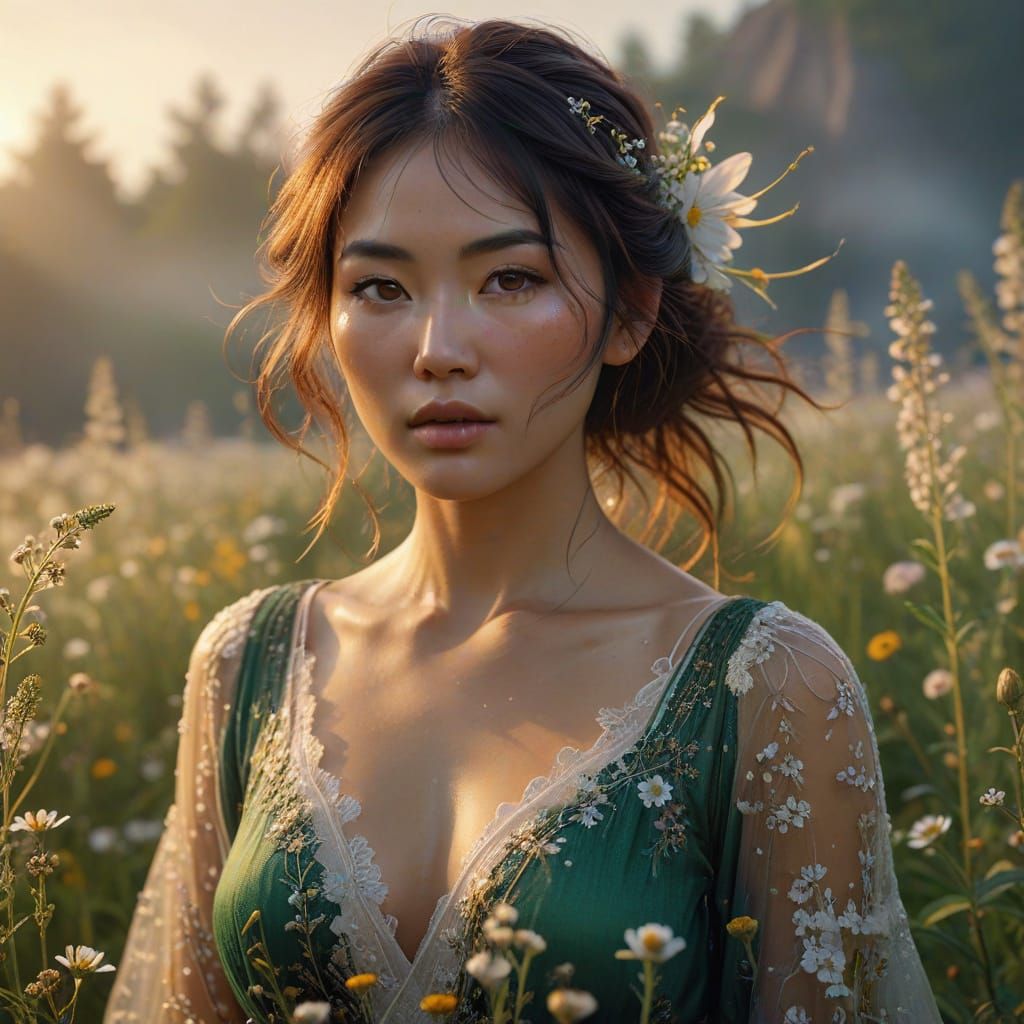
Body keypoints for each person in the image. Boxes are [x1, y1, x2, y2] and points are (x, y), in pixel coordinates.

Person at [104, 15, 942, 1024]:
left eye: (510, 277)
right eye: (379, 287)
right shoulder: (248, 663)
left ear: (630, 311)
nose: (437, 347)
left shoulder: (763, 688)